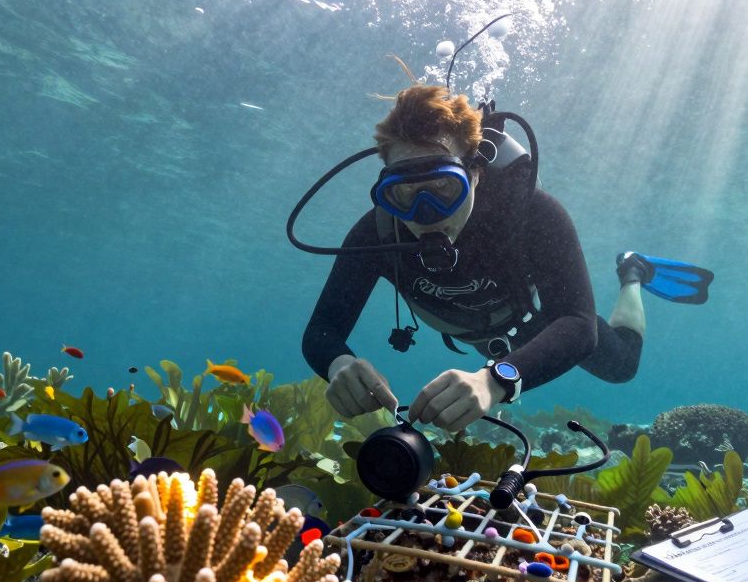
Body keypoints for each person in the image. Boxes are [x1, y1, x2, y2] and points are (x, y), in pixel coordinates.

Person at [300, 81, 711, 433]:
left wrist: (496, 380)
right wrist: (338, 363)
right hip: (476, 328)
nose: (425, 215)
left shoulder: (533, 213)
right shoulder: (377, 231)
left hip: (533, 319)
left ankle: (633, 272)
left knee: (622, 368)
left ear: (475, 175)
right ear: (385, 193)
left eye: (444, 190)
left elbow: (578, 324)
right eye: (403, 195)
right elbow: (322, 328)